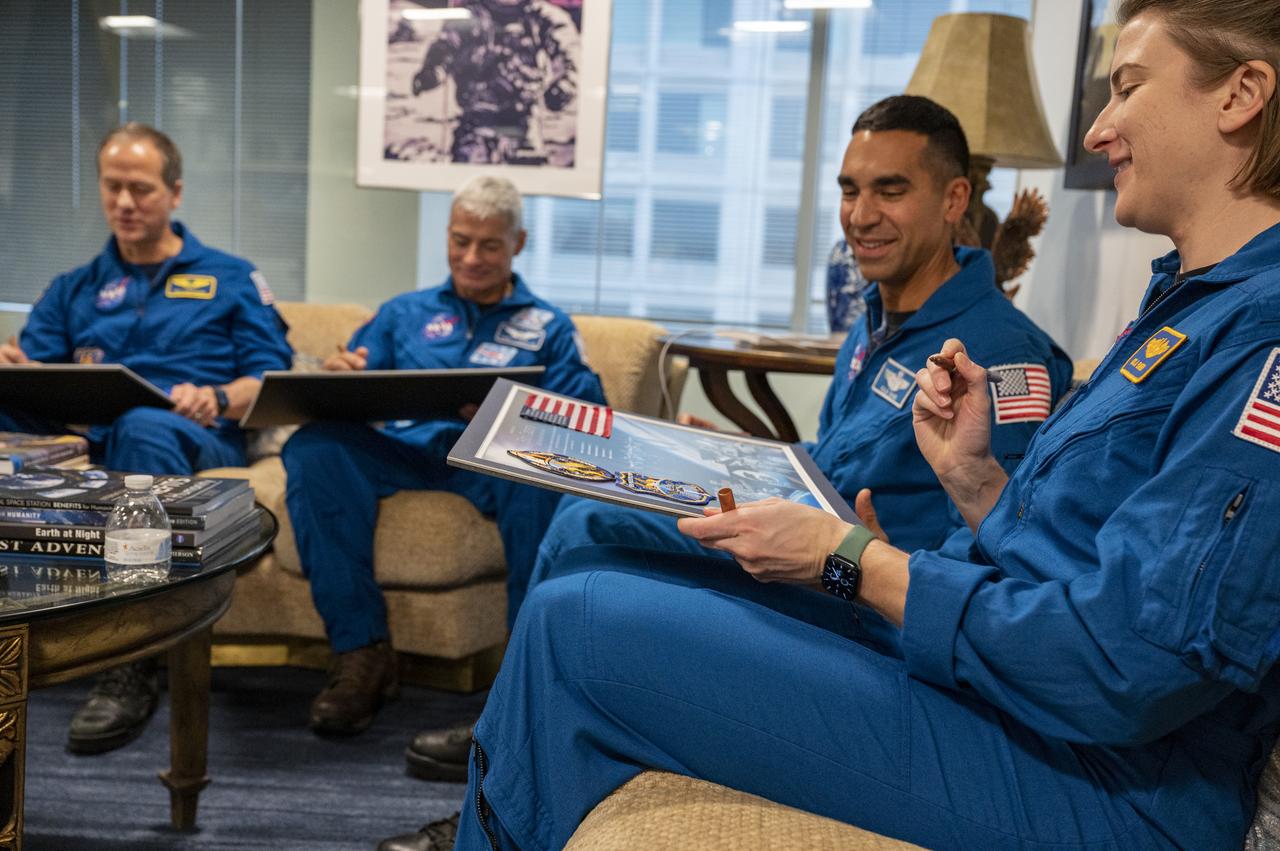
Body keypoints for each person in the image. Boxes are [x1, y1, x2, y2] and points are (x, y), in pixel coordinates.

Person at [409, 1, 1280, 847]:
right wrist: (977, 484)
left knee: (576, 625)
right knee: (581, 571)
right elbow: (1077, 554)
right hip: (1006, 677)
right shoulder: (1182, 307)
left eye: (1127, 86)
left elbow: (1119, 666)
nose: (1098, 131)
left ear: (1241, 96)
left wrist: (855, 560)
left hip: (1116, 780)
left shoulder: (1258, 336)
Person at [387, 95, 1073, 795]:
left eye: (890, 190)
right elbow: (837, 458)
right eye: (849, 189)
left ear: (956, 198)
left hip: (858, 592)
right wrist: (739, 452)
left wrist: (879, 561)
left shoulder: (1002, 354)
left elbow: (1007, 550)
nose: (860, 215)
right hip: (800, 538)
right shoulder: (883, 318)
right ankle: (513, 732)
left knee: (586, 526)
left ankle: (508, 740)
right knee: (584, 512)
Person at [0, 123, 293, 755]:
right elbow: (37, 376)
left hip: (194, 442)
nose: (125, 203)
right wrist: (15, 368)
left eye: (140, 188)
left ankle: (126, 659)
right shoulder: (75, 285)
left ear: (175, 192)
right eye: (113, 188)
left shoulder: (231, 278)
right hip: (90, 446)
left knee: (145, 423)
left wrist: (216, 396)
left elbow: (275, 377)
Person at [281, 175, 603, 736]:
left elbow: (589, 414)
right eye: (460, 241)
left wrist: (520, 411)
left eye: (489, 245)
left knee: (536, 471)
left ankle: (521, 680)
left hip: (496, 464)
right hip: (408, 451)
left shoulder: (549, 327)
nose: (471, 257)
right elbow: (354, 374)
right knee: (314, 447)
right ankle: (362, 655)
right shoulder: (402, 313)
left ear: (518, 244)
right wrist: (341, 376)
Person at [411, 0, 579, 165]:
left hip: (522, 126)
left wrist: (564, 85)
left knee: (524, 181)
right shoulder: (468, 16)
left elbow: (569, 53)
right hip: (475, 125)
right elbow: (444, 47)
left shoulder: (542, 16)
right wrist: (432, 72)